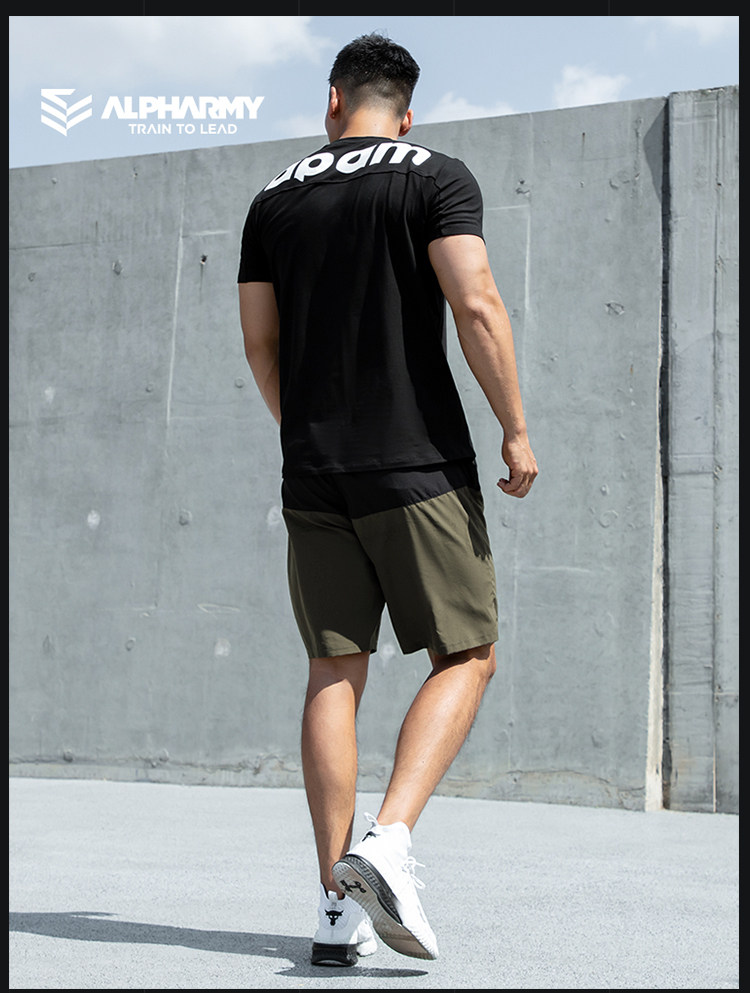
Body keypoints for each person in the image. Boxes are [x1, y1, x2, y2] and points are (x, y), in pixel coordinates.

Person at [237, 32, 538, 966]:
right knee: (469, 653)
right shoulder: (433, 174)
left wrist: (308, 433)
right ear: (405, 114)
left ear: (333, 101)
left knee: (335, 669)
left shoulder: (273, 199)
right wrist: (515, 427)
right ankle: (389, 840)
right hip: (417, 467)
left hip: (312, 471)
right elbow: (476, 302)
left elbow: (259, 344)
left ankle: (336, 907)